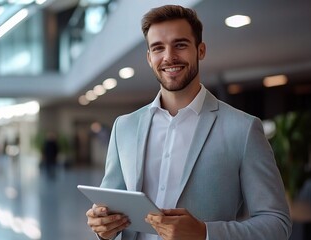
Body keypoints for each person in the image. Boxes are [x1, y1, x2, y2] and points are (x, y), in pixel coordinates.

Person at [85, 4, 291, 240]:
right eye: (158, 48)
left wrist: (205, 233)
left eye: (180, 45)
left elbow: (277, 224)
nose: (169, 56)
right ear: (149, 58)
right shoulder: (125, 127)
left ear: (200, 50)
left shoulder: (243, 129)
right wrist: (104, 227)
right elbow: (111, 207)